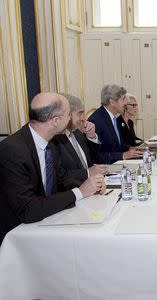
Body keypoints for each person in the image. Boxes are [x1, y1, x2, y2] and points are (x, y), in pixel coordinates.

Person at [0, 93, 105, 245]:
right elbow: (28, 209)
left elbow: (61, 180)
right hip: (16, 236)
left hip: (44, 222)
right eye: (69, 114)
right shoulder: (12, 150)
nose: (71, 119)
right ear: (56, 121)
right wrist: (80, 192)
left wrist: (91, 185)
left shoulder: (49, 143)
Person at [52, 93, 107, 181]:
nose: (83, 119)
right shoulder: (54, 139)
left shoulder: (78, 133)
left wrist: (92, 136)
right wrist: (88, 173)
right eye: (80, 113)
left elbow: (95, 159)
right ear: (68, 114)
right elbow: (59, 175)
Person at [88, 84, 142, 164]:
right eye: (123, 99)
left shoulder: (112, 117)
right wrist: (123, 155)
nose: (125, 103)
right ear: (112, 102)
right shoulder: (96, 120)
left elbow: (117, 146)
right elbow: (96, 157)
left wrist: (132, 148)